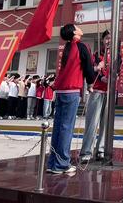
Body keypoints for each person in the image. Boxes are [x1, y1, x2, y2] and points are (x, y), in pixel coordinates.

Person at [47, 24, 95, 175]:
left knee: (59, 127)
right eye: (77, 27)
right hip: (71, 91)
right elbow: (88, 66)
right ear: (75, 32)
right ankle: (61, 164)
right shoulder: (81, 47)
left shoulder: (67, 47)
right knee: (66, 128)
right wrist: (91, 82)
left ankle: (53, 162)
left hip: (61, 91)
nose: (80, 28)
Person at [80, 29, 121, 163]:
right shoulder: (97, 55)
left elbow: (118, 73)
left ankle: (101, 150)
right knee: (92, 123)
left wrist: (112, 78)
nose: (109, 41)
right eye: (107, 38)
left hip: (109, 92)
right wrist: (99, 71)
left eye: (111, 38)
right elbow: (89, 71)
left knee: (105, 124)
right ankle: (86, 152)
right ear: (103, 40)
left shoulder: (117, 56)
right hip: (97, 92)